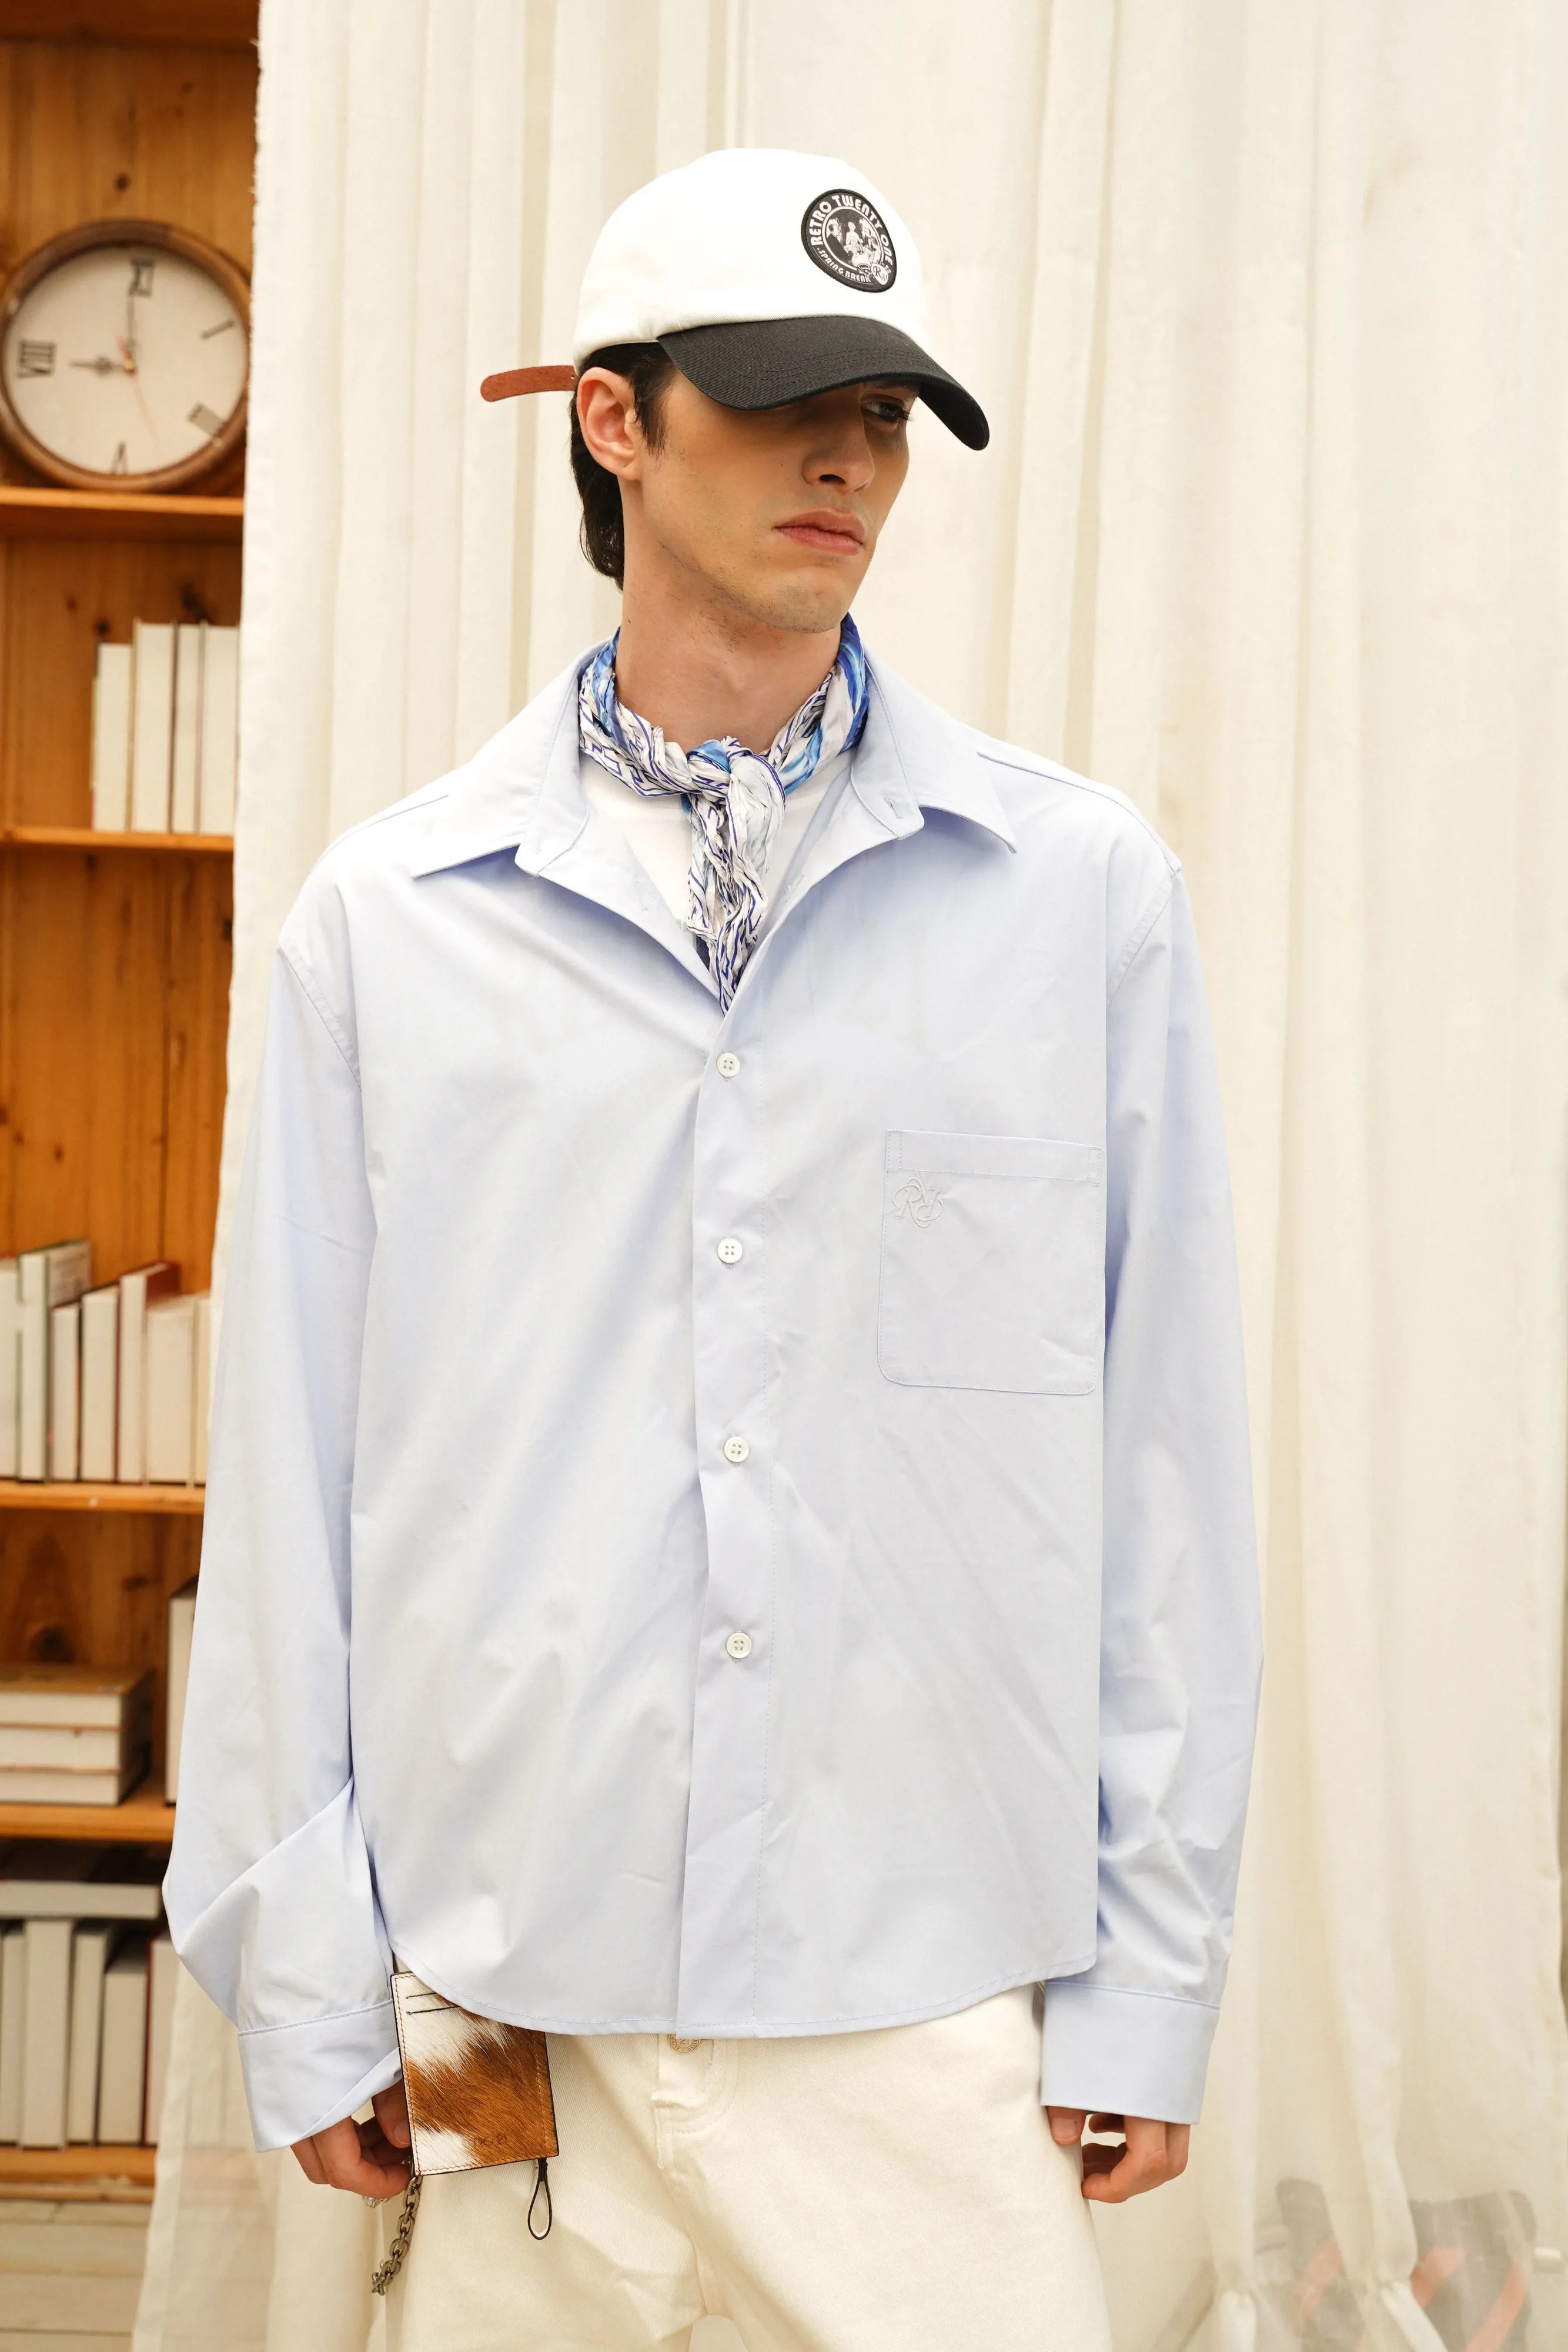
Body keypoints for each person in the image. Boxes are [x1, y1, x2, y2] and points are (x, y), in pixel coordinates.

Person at [166, 147, 1262, 2351]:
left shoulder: (1074, 898)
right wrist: (305, 1977)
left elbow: (1163, 1471)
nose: (846, 457)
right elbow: (289, 1475)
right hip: (501, 1981)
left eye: (884, 410)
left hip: (920, 1991)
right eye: (779, 400)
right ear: (613, 419)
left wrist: (1149, 1975)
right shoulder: (390, 923)